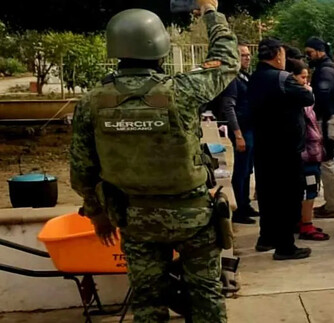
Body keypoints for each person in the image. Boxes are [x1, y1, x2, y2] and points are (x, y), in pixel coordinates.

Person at [70, 2, 237, 321]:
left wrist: (97, 214)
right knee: (206, 295)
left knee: (147, 301)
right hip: (194, 218)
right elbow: (227, 61)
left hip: (135, 220)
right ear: (160, 49)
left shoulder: (91, 102)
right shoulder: (183, 90)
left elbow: (82, 170)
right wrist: (211, 13)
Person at [250, 38, 315, 260]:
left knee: (268, 195)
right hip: (286, 148)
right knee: (289, 197)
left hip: (263, 145)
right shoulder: (283, 78)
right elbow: (308, 97)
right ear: (278, 54)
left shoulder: (254, 77)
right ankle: (285, 246)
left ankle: (266, 237)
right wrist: (305, 86)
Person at [209, 43, 256, 225]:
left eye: (248, 54)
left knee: (247, 170)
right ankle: (239, 210)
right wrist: (237, 134)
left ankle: (246, 204)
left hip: (250, 128)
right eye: (243, 55)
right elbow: (228, 108)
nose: (247, 57)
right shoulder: (232, 80)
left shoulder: (244, 76)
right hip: (242, 129)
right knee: (241, 171)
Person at [287, 58, 331, 241]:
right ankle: (306, 224)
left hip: (312, 149)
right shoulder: (297, 97)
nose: (306, 82)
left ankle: (302, 220)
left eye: (307, 78)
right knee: (309, 188)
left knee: (309, 186)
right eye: (302, 77)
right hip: (306, 151)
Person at [306, 37, 334, 219]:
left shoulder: (325, 71)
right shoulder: (325, 69)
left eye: (310, 53)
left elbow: (322, 97)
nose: (308, 56)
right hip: (329, 119)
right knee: (327, 162)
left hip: (329, 121)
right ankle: (332, 203)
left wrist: (314, 115)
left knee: (327, 162)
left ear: (319, 50)